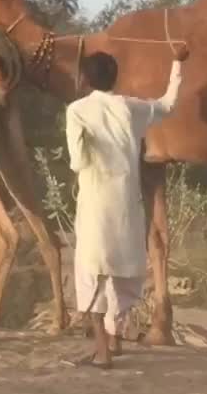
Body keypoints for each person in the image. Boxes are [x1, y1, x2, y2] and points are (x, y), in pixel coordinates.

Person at [65, 44, 189, 368]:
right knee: (119, 271)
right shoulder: (131, 108)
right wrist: (177, 62)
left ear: (85, 79)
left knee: (93, 273)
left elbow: (77, 162)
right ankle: (114, 338)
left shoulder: (77, 111)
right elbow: (168, 104)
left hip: (95, 203)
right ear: (114, 78)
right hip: (126, 203)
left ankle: (102, 351)